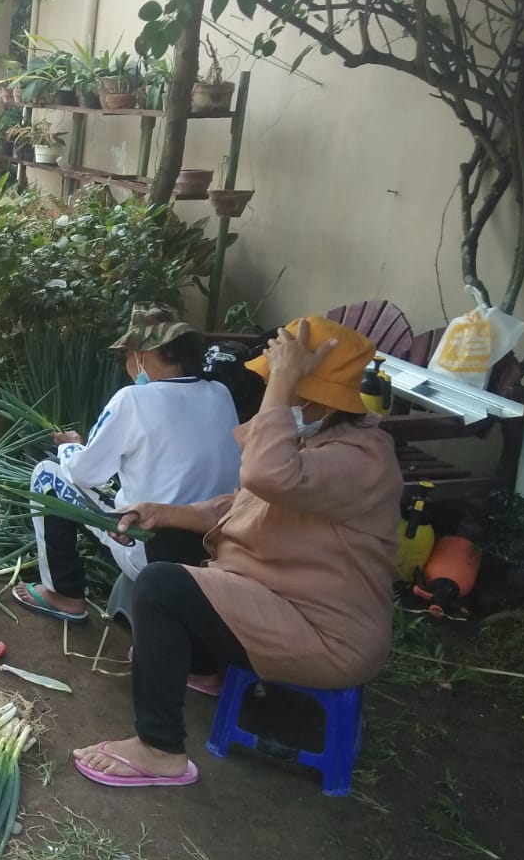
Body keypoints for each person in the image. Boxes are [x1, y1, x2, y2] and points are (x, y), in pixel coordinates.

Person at [71, 316, 402, 788]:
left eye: (281, 382)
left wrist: (284, 382)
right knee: (168, 542)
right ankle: (205, 670)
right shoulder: (320, 439)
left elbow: (265, 476)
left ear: (310, 395)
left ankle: (159, 749)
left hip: (321, 632)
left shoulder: (361, 461)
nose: (272, 389)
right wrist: (161, 512)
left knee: (161, 587)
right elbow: (241, 504)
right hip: (274, 598)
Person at [12, 303, 241, 626]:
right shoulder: (220, 393)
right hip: (212, 550)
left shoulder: (133, 399)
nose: (127, 364)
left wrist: (71, 448)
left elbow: (83, 473)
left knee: (47, 476)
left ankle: (63, 595)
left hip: (149, 549)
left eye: (127, 354)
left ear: (143, 355)